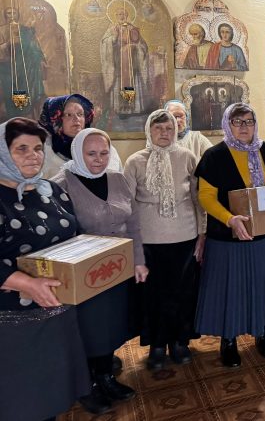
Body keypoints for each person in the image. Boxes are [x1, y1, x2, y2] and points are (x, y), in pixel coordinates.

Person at [51, 128, 146, 414]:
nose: (98, 160)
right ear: (78, 152)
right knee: (86, 331)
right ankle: (87, 386)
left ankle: (105, 377)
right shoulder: (61, 184)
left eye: (104, 153)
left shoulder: (117, 179)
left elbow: (134, 224)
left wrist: (138, 260)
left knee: (110, 327)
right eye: (91, 154)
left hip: (117, 269)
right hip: (83, 275)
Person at [0, 117, 89, 421]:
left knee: (50, 394)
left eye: (38, 148)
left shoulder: (50, 190)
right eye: (21, 149)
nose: (33, 156)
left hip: (58, 312)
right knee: (20, 401)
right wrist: (26, 283)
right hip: (13, 321)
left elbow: (75, 236)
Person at [194, 103, 265, 367]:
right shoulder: (214, 155)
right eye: (238, 122)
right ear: (227, 124)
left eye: (249, 121)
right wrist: (229, 219)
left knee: (261, 285)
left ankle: (262, 334)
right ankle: (229, 340)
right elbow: (206, 197)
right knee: (230, 290)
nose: (244, 127)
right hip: (227, 238)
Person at [124, 109, 205, 370]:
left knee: (182, 292)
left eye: (169, 128)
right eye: (158, 129)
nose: (164, 133)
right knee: (153, 295)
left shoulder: (187, 157)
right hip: (149, 241)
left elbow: (197, 198)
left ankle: (180, 341)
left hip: (184, 237)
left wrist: (202, 234)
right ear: (149, 131)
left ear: (176, 130)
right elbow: (128, 205)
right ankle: (157, 345)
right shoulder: (135, 161)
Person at [39, 94, 123, 178]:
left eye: (80, 114)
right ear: (55, 120)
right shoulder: (44, 151)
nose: (76, 119)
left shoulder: (103, 147)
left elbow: (118, 181)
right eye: (68, 114)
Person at [100, 2, 150, 115]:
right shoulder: (112, 29)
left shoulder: (133, 29)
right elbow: (104, 43)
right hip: (118, 64)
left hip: (132, 65)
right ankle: (120, 107)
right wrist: (113, 37)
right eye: (119, 14)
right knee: (120, 83)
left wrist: (135, 46)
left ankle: (131, 106)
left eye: (123, 14)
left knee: (130, 84)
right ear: (115, 16)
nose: (121, 16)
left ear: (127, 15)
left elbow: (143, 45)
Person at [0, 7, 45, 121]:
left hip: (23, 66)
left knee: (23, 88)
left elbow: (32, 46)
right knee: (10, 91)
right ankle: (13, 117)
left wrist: (39, 59)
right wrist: (7, 45)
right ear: (5, 15)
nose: (12, 16)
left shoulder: (24, 30)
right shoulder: (1, 30)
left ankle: (23, 114)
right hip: (7, 68)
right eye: (9, 13)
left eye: (14, 13)